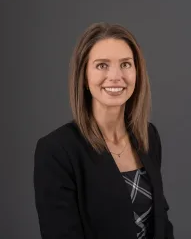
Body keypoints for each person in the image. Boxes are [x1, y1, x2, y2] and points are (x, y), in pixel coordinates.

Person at [33, 22, 175, 239]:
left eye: (126, 64)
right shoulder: (57, 150)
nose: (116, 76)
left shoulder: (148, 136)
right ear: (84, 78)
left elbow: (161, 223)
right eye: (102, 65)